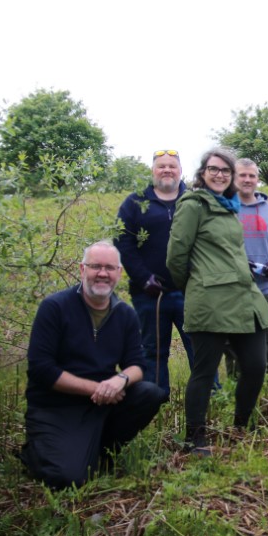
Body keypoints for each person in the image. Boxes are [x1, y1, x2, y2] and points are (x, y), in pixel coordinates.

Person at [20, 241, 166, 488]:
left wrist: (120, 380)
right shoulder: (55, 308)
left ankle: (102, 448)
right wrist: (96, 389)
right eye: (95, 266)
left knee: (150, 393)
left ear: (119, 273)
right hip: (55, 406)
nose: (102, 273)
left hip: (100, 406)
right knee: (68, 479)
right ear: (82, 270)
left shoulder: (124, 313)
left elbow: (137, 365)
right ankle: (36, 452)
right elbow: (41, 369)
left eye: (110, 268)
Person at [167, 147, 268, 455]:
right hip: (210, 300)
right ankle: (195, 438)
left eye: (225, 171)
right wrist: (196, 286)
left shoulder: (228, 206)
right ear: (202, 173)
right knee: (204, 370)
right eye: (213, 169)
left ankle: (241, 427)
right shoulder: (193, 205)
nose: (219, 174)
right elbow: (176, 256)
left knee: (256, 365)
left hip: (244, 296)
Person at [115, 149, 199, 397]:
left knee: (199, 346)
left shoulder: (195, 200)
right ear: (153, 171)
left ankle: (208, 396)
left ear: (180, 171)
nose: (167, 170)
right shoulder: (135, 202)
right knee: (152, 350)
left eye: (172, 166)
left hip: (191, 292)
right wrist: (142, 278)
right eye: (161, 166)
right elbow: (123, 242)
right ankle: (154, 400)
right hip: (150, 294)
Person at [224, 158, 268, 384]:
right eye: (242, 175)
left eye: (251, 175)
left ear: (258, 179)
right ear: (234, 178)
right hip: (233, 288)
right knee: (234, 342)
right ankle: (236, 390)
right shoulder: (224, 208)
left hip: (265, 286)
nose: (247, 179)